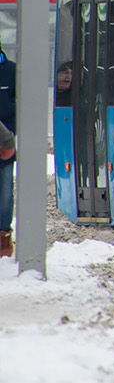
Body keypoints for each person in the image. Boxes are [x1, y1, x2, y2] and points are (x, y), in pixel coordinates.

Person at [0, 45, 15, 258]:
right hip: (6, 139)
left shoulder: (12, 71)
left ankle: (3, 238)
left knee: (5, 192)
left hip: (5, 143)